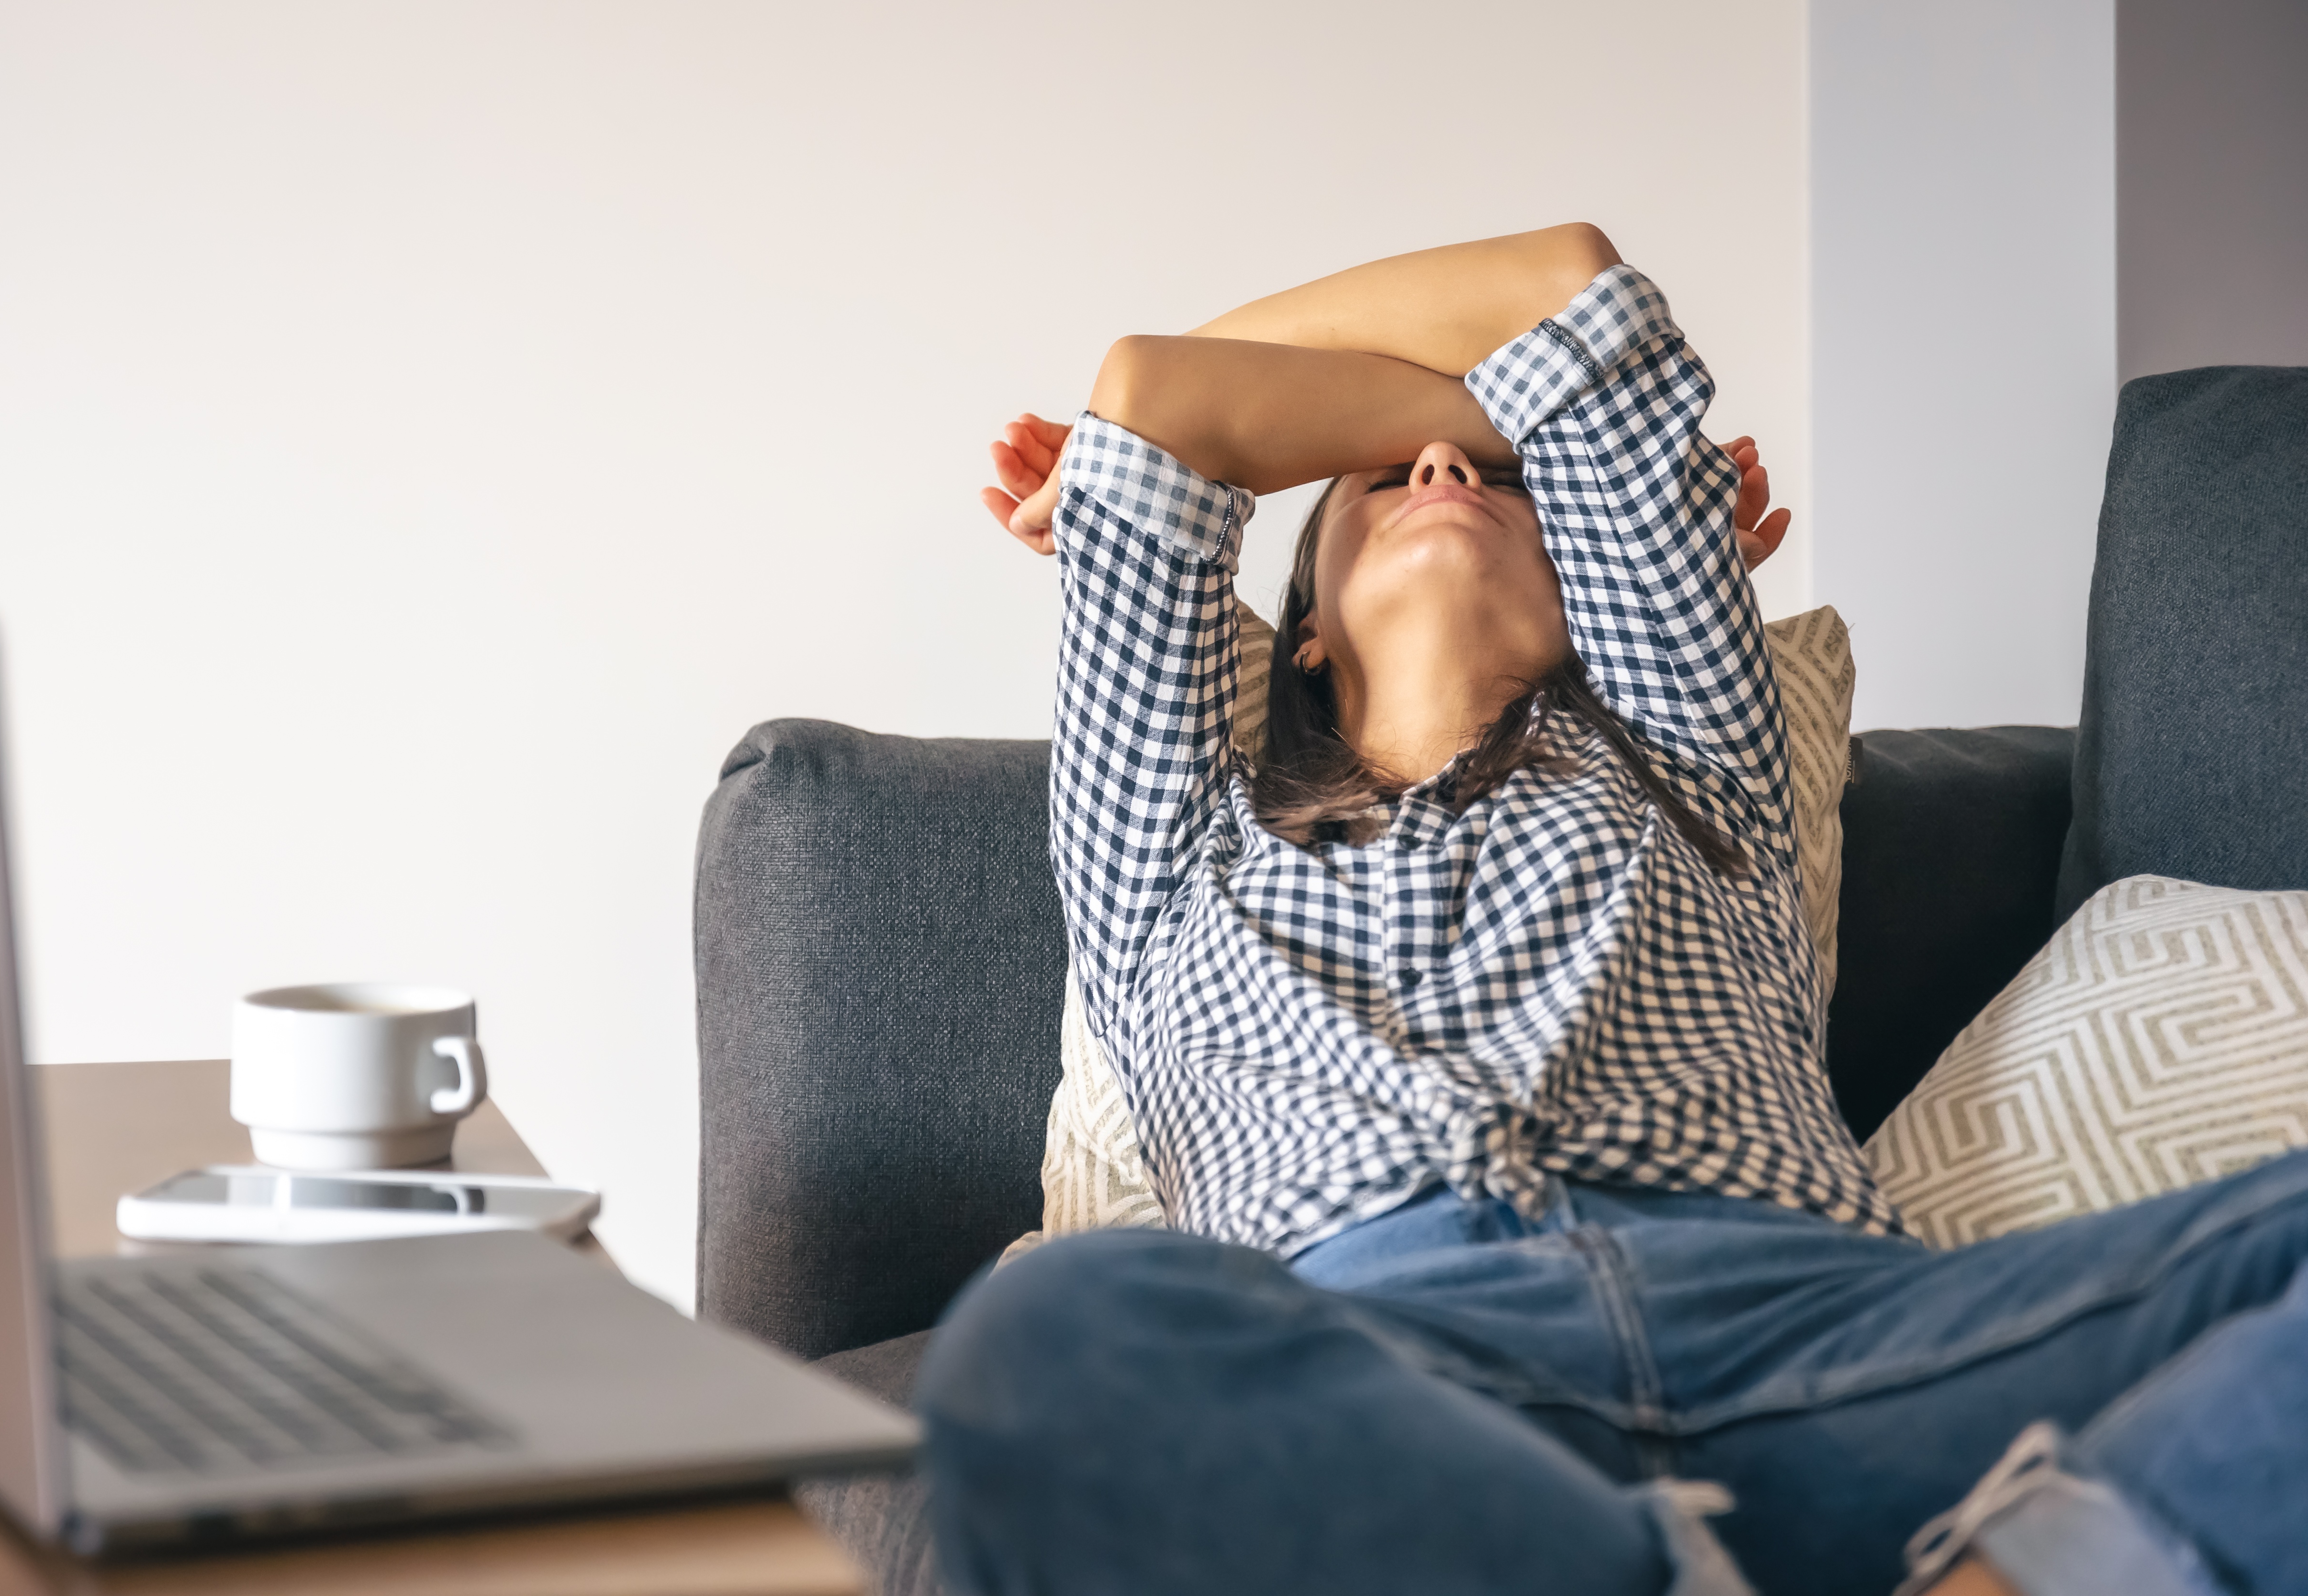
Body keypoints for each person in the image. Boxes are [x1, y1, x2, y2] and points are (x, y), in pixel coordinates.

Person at [931, 224, 2308, 1596]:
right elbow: (1156, 404)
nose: (1446, 464)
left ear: (1598, 593)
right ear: (1304, 630)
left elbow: (1562, 281)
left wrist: (1563, 463)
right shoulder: (1169, 850)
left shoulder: (1688, 747)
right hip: (1406, 1382)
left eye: (1520, 479)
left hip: (1830, 1345)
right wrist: (1512, 414)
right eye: (1372, 476)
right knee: (1044, 1325)